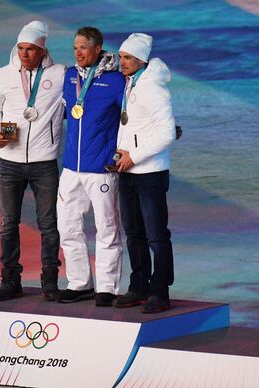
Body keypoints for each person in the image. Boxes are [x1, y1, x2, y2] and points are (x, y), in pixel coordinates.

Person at [0, 21, 65, 301]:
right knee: (8, 223)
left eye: (31, 49)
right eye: (21, 48)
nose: (25, 54)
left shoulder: (59, 74)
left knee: (49, 223)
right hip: (10, 161)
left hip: (44, 162)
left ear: (43, 50)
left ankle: (50, 281)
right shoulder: (3, 75)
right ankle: (10, 280)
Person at [57, 26, 125, 307]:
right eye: (75, 48)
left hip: (101, 169)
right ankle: (79, 283)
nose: (78, 53)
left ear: (97, 49)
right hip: (72, 167)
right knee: (68, 226)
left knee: (106, 229)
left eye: (83, 47)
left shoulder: (116, 80)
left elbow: (130, 117)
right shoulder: (70, 76)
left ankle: (108, 288)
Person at [113, 33, 176, 313]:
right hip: (127, 171)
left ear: (140, 60)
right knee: (134, 233)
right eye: (121, 57)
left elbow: (167, 133)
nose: (121, 62)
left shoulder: (153, 89)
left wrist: (134, 156)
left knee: (155, 235)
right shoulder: (131, 84)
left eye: (127, 58)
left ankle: (160, 292)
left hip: (149, 173)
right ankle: (138, 286)